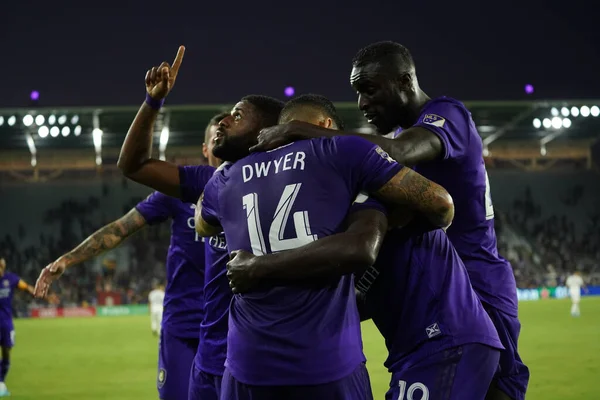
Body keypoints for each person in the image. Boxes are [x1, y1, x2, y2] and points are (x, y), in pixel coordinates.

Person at [253, 41, 528, 400]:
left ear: (405, 81)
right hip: (433, 295)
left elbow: (397, 152)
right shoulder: (393, 139)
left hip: (476, 285)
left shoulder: (446, 114)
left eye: (369, 89)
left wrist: (299, 132)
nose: (363, 103)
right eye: (357, 92)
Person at [193, 94, 454, 399]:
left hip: (246, 368)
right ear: (326, 125)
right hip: (328, 364)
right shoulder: (343, 151)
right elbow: (441, 204)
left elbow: (204, 222)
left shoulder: (224, 179)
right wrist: (374, 212)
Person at [115, 47, 280, 400]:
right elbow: (133, 165)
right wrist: (152, 102)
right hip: (209, 357)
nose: (223, 121)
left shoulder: (291, 184)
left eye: (237, 116)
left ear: (264, 132)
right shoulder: (208, 180)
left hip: (257, 358)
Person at [34, 110, 228, 400]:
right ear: (204, 149)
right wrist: (68, 259)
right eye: (217, 138)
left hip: (229, 328)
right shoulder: (183, 188)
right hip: (182, 324)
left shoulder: (250, 188)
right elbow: (122, 227)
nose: (223, 144)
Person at [0, 257, 37, 397]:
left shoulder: (10, 279)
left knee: (7, 351)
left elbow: (26, 287)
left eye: (1, 266)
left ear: (3, 266)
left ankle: (1, 381)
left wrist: (41, 294)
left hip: (6, 323)